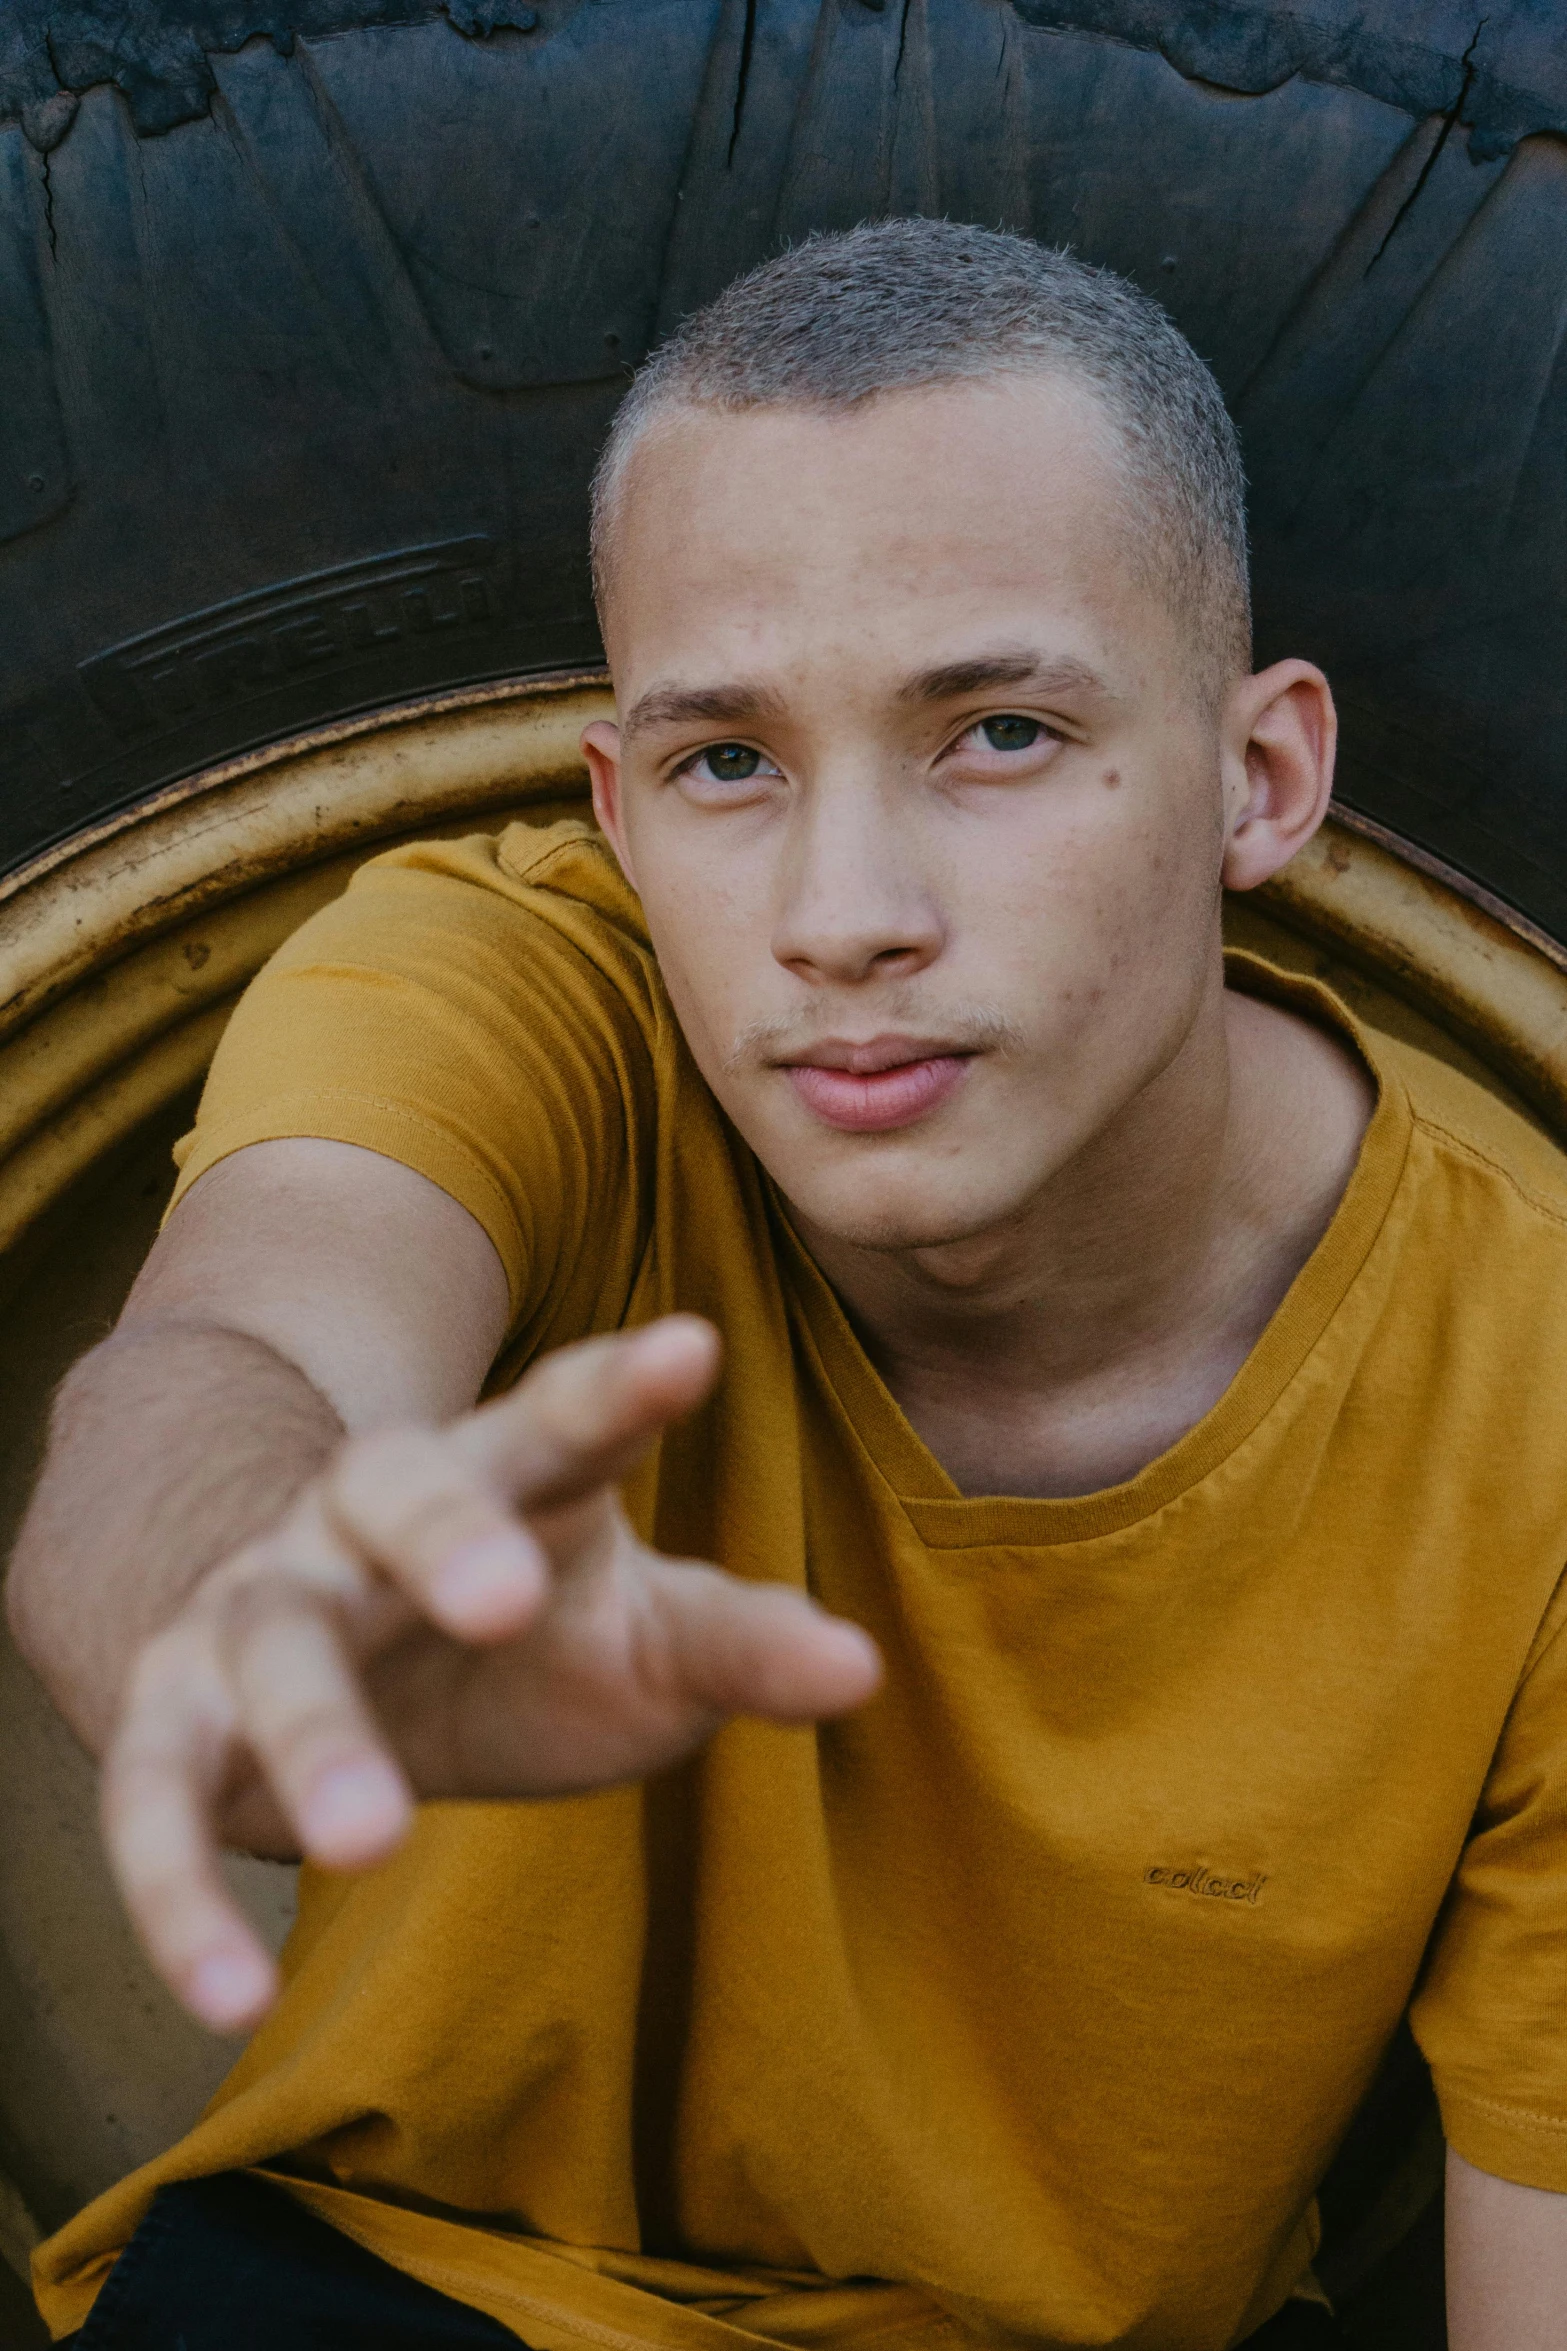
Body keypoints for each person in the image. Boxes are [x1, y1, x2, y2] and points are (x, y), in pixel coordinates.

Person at [9, 218, 1567, 2351]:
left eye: (998, 731)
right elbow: (243, 1342)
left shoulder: (1535, 1385)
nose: (843, 915)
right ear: (618, 810)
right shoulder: (510, 985)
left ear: (1260, 777)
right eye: (726, 763)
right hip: (401, 2290)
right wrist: (258, 1596)